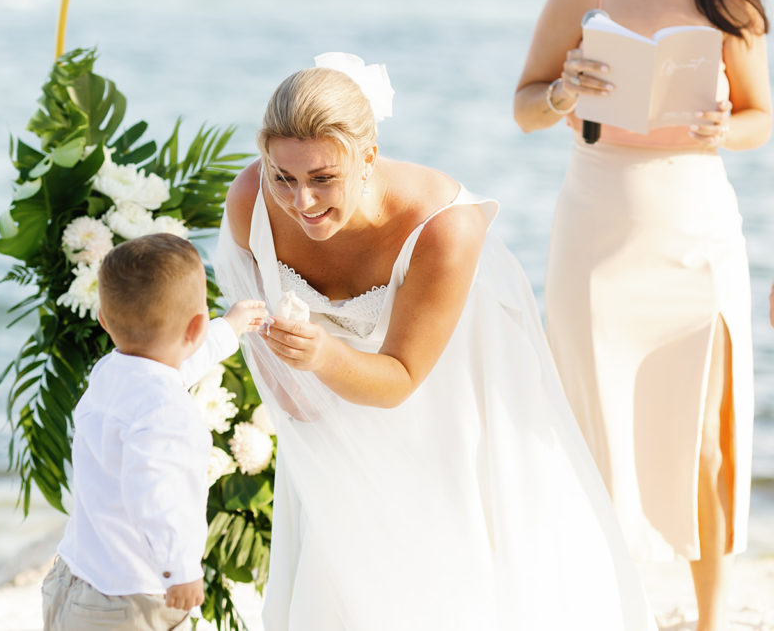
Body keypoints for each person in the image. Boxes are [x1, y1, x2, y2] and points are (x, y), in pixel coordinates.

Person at [214, 53, 657, 630]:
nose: (301, 202)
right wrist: (296, 392)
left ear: (368, 158)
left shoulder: (445, 228)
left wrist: (322, 356)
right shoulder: (252, 199)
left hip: (449, 383)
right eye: (284, 176)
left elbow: (400, 377)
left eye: (323, 178)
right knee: (341, 549)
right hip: (331, 389)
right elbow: (249, 307)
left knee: (456, 546)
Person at [512, 0, 771, 630]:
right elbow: (525, 107)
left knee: (705, 443)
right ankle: (608, 609)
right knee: (596, 434)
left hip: (696, 236)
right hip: (597, 236)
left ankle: (712, 619)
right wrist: (565, 91)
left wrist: (725, 125)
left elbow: (761, 116)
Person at [41, 233, 267, 631]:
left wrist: (229, 329)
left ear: (104, 321)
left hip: (76, 574)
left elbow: (175, 364)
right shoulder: (164, 408)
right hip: (131, 595)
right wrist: (178, 570)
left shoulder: (112, 372)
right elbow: (153, 490)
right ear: (196, 326)